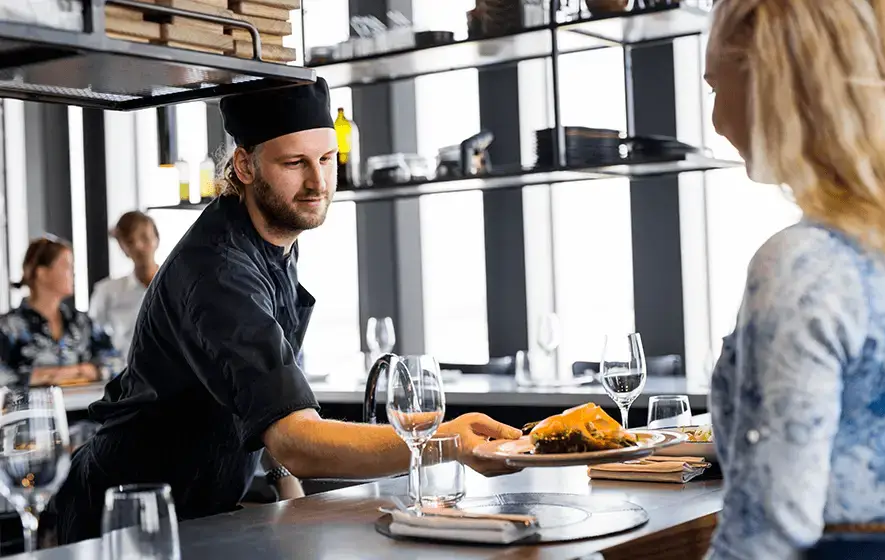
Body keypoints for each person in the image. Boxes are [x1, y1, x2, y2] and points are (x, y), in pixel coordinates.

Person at [51, 77, 521, 545]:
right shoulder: (219, 270)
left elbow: (258, 403)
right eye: (295, 163)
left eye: (325, 158)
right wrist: (447, 441)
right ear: (245, 165)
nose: (318, 182)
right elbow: (296, 439)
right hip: (124, 517)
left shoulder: (271, 240)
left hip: (198, 511)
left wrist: (288, 495)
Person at [703, 1, 885, 558]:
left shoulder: (803, 265)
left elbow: (767, 534)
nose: (717, 121)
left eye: (719, 87)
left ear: (783, 84)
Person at [0, 236, 115, 387]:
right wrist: (41, 376)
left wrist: (95, 371)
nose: (73, 273)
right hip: (32, 410)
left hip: (85, 408)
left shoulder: (82, 323)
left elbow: (117, 363)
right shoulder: (9, 327)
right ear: (42, 273)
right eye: (67, 266)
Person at [89, 211, 160, 358]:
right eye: (130, 242)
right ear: (122, 247)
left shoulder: (179, 287)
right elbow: (92, 338)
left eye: (144, 237)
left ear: (156, 239)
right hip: (123, 374)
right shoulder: (107, 291)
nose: (138, 246)